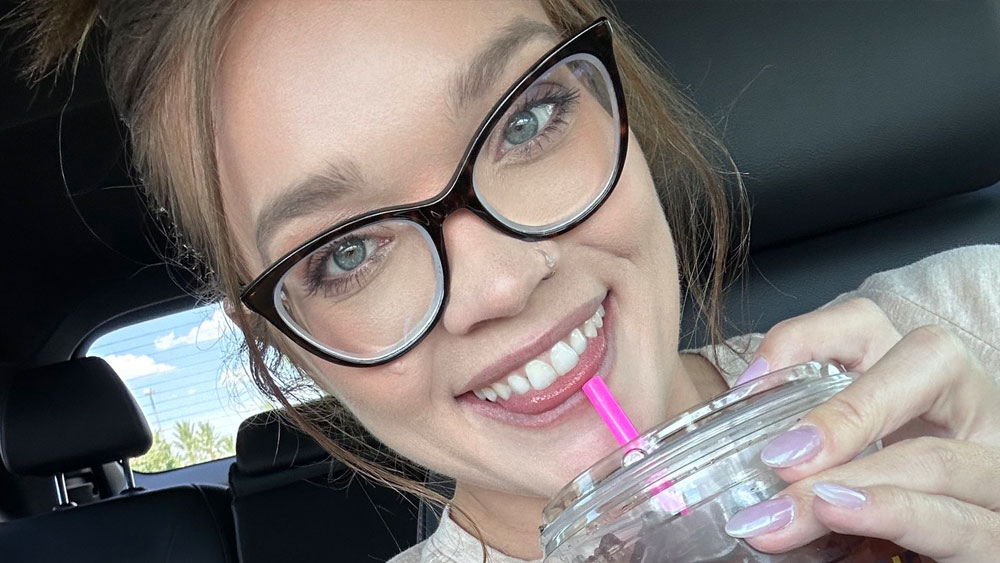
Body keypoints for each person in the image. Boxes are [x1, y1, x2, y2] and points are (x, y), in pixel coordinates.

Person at [18, 1, 1000, 561]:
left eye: (526, 120)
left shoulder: (973, 323)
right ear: (289, 346)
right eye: (345, 252)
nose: (494, 282)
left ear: (620, 111)